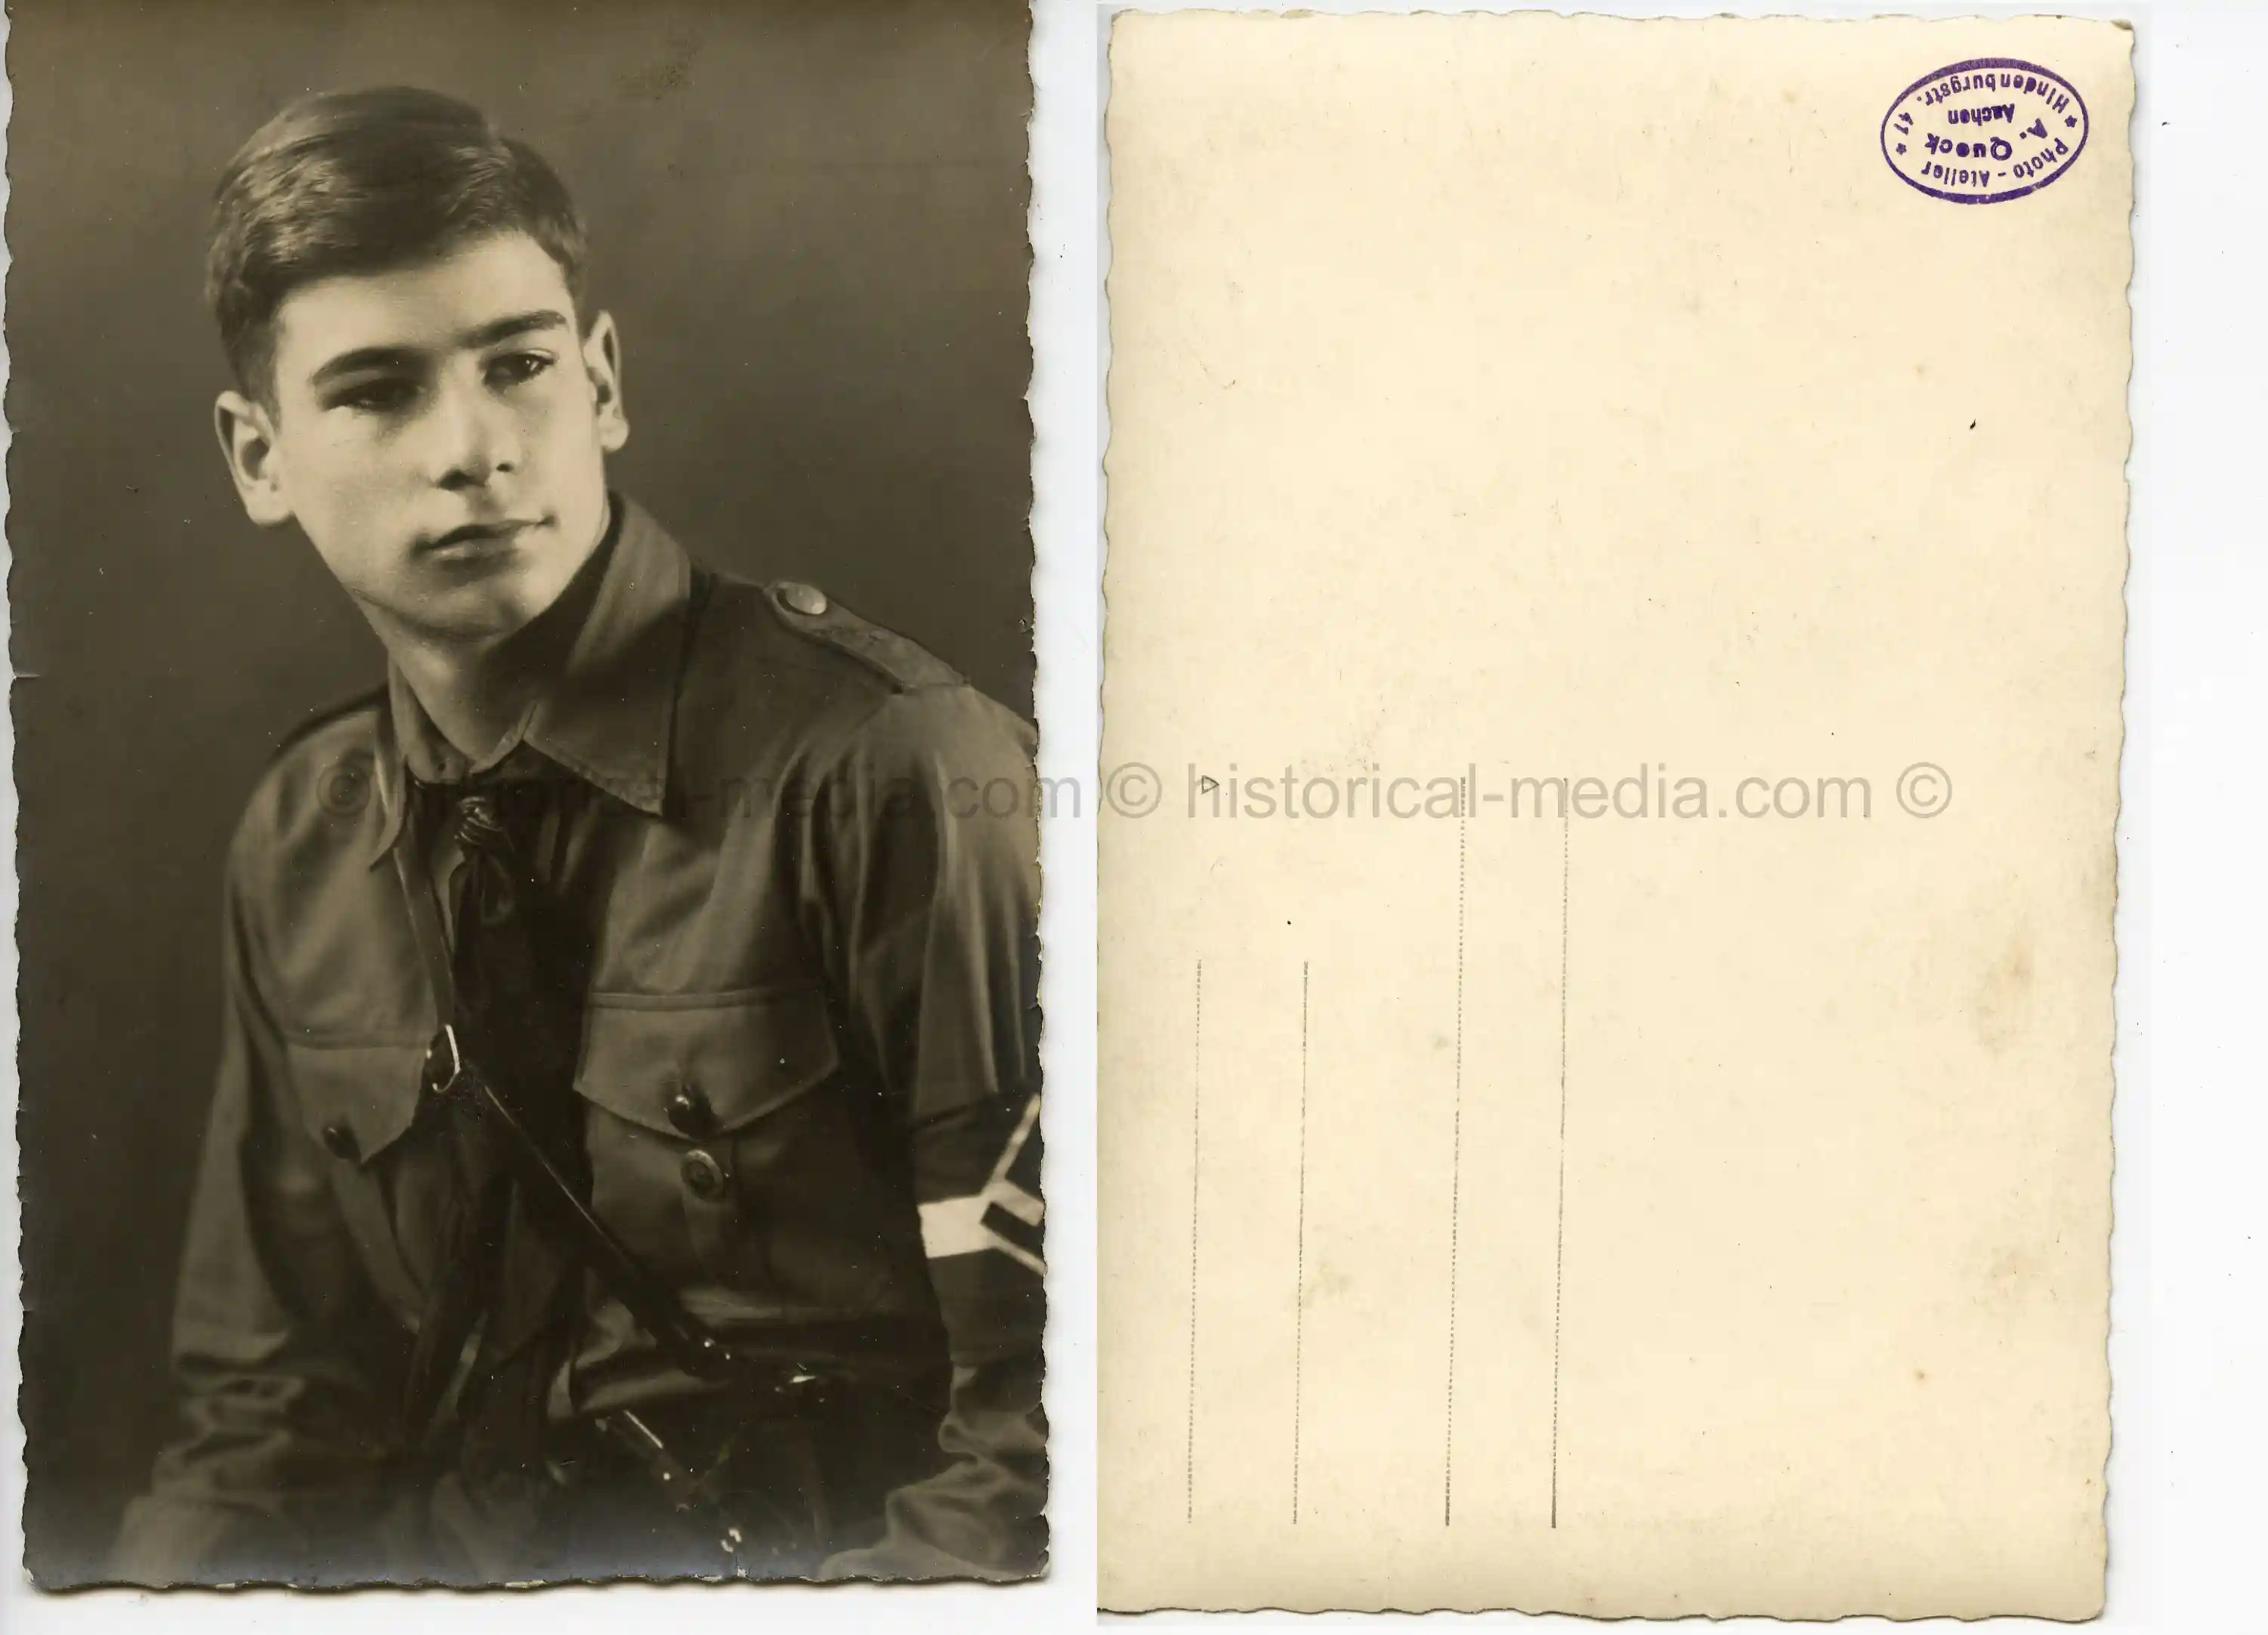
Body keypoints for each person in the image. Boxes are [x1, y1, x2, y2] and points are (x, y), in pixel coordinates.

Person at [108, 86, 1045, 1586]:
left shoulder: (887, 771)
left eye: (519, 365)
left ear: (602, 383)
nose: (472, 447)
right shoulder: (303, 836)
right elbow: (267, 1425)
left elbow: (1045, 1448)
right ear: (257, 456)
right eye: (373, 392)